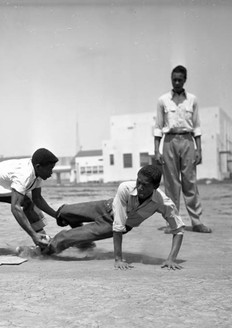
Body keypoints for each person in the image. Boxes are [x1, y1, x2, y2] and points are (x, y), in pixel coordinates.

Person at [44, 165, 185, 270]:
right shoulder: (125, 188)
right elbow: (117, 213)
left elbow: (178, 230)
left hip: (114, 225)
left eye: (145, 185)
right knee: (64, 212)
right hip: (105, 207)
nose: (140, 187)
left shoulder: (163, 202)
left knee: (64, 238)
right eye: (138, 182)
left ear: (155, 186)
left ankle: (42, 251)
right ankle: (84, 242)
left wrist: (171, 259)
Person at [153, 65, 211, 233]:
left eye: (180, 79)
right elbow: (158, 126)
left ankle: (197, 221)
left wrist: (198, 149)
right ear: (171, 80)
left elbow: (197, 126)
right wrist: (157, 150)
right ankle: (173, 221)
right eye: (174, 79)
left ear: (185, 80)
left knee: (190, 183)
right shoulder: (163, 100)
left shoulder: (193, 99)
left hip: (187, 141)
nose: (177, 82)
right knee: (171, 185)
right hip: (169, 141)